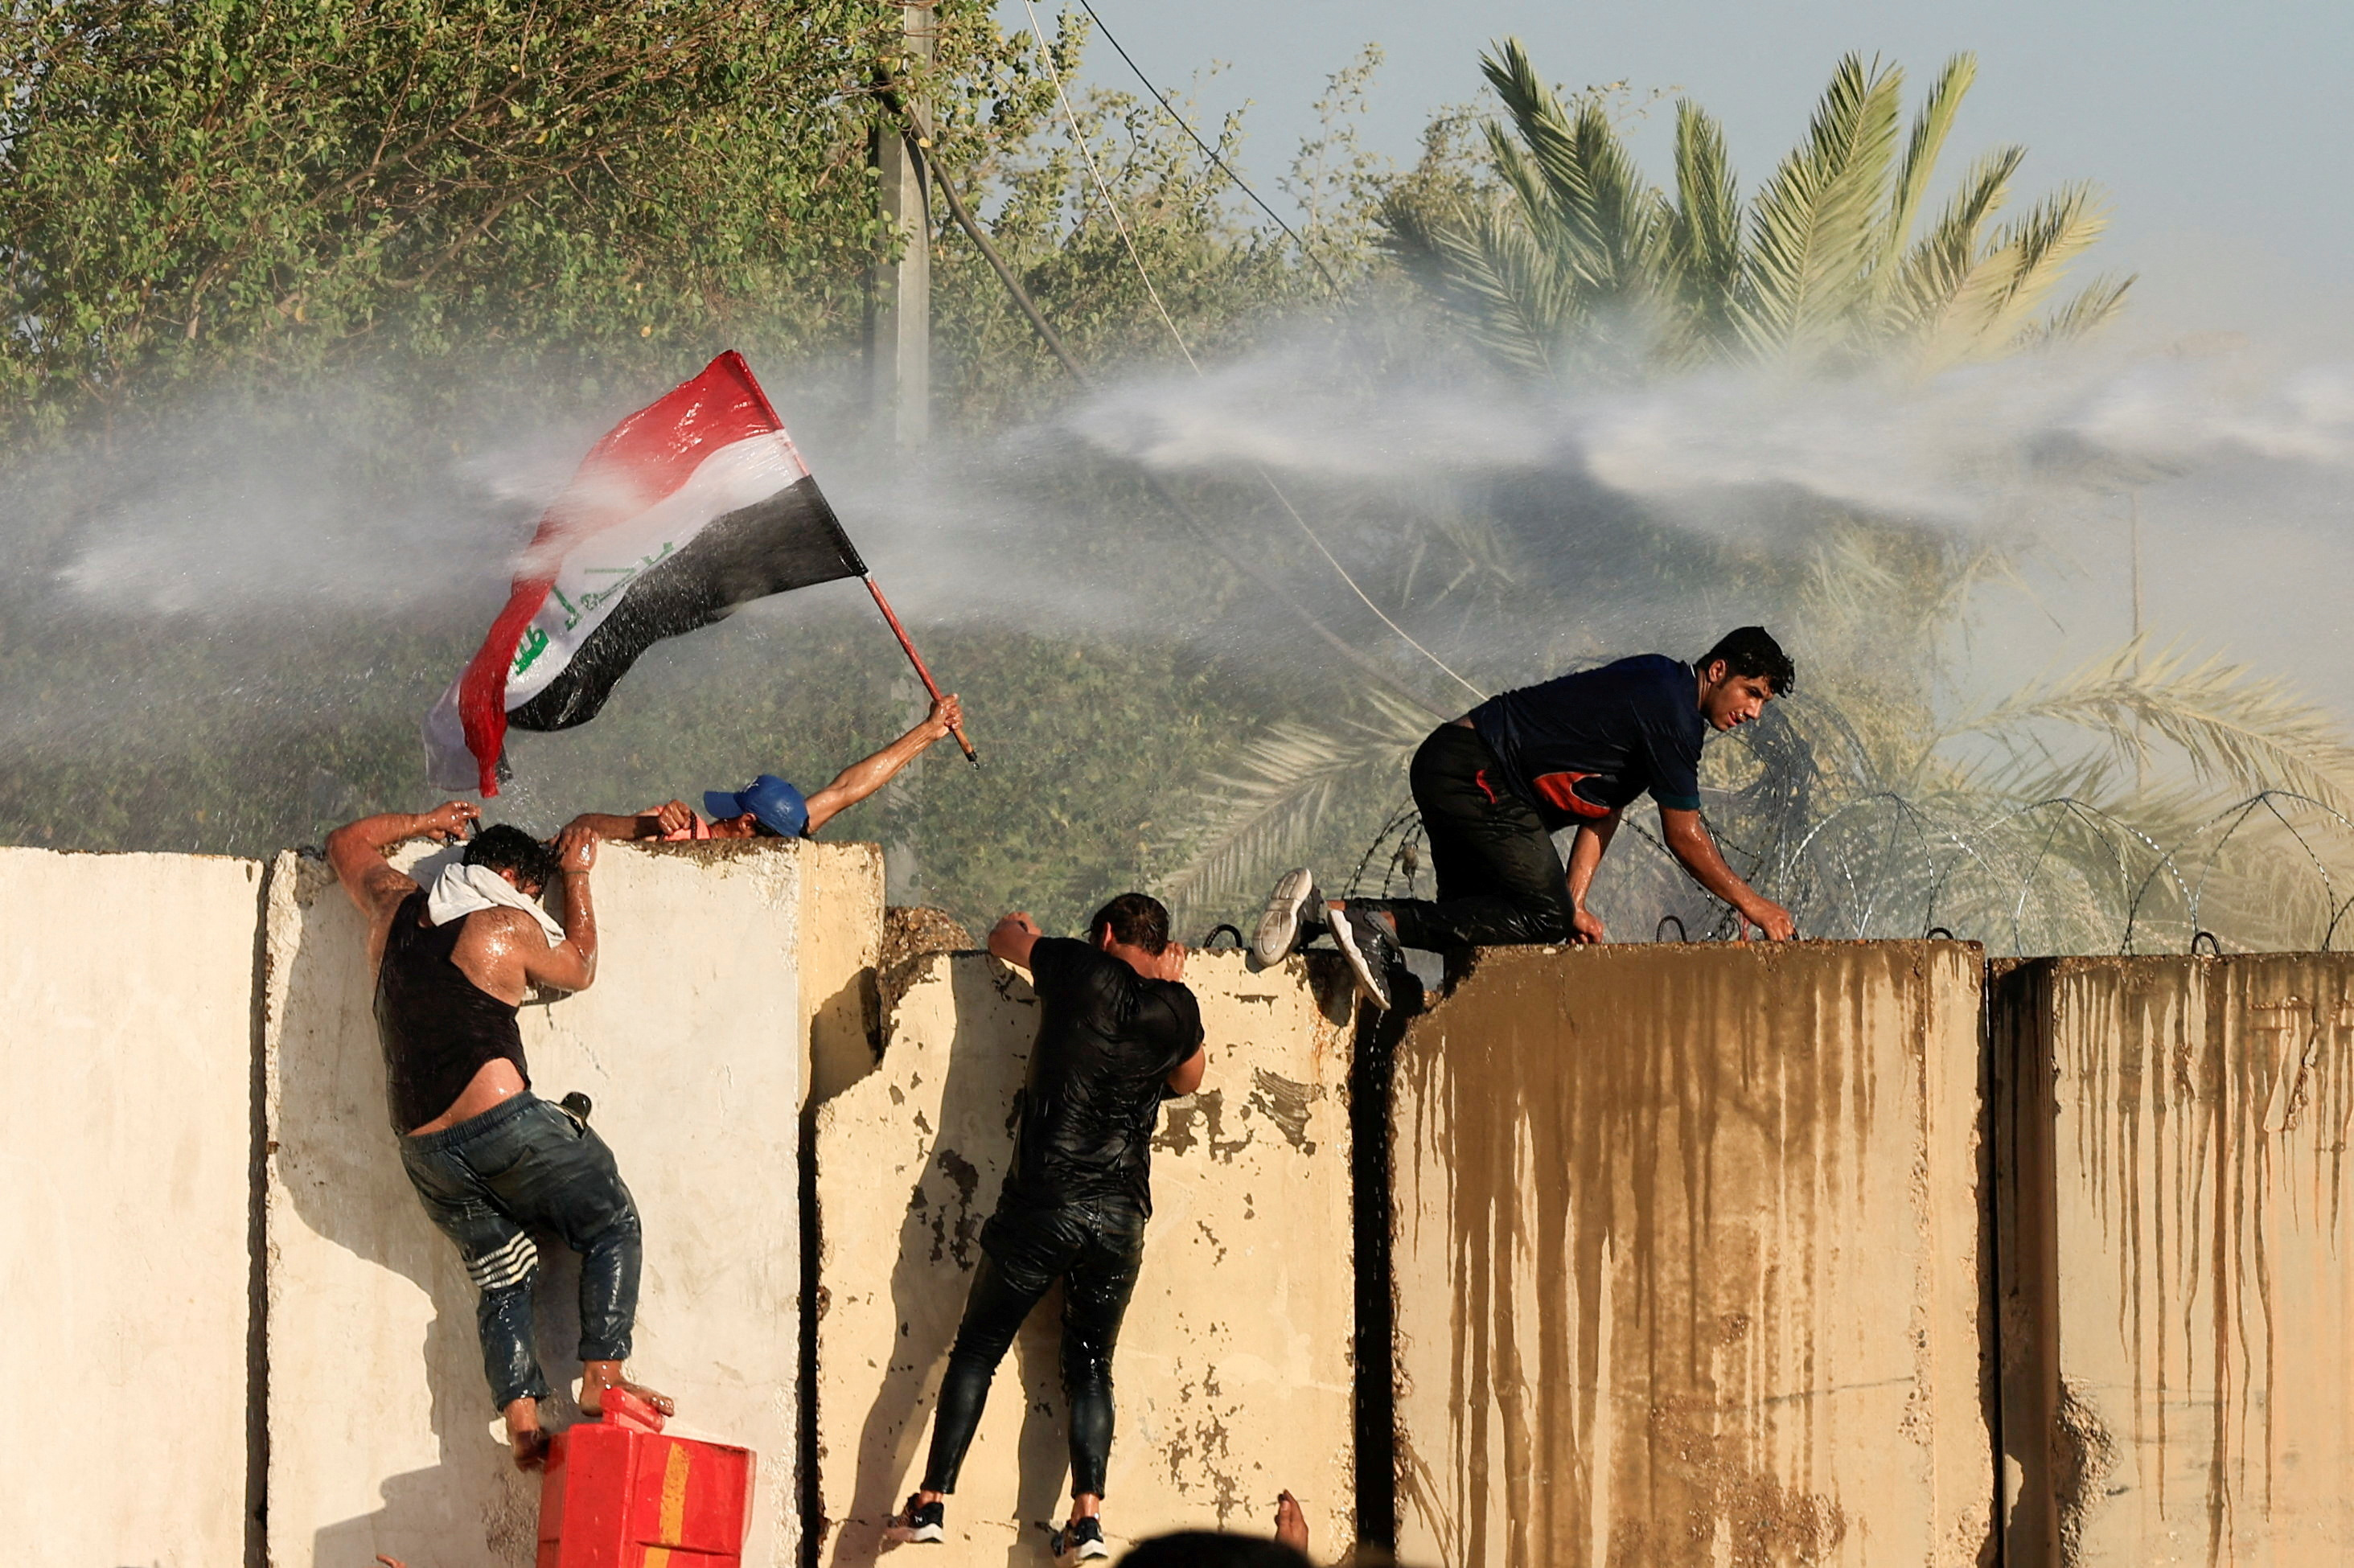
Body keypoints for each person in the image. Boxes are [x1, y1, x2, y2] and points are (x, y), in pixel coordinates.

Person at [323, 803, 668, 1470]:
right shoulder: (505, 923)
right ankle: (602, 1377)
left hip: (425, 1154)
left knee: (503, 1274)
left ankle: (521, 1417)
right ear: (514, 879)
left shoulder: (393, 906)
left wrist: (424, 821)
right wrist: (579, 877)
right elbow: (579, 964)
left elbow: (346, 841)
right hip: (505, 1128)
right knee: (609, 1221)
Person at [895, 893, 1206, 1561]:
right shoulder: (1176, 1004)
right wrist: (1170, 994)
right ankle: (1087, 1518)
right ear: (1160, 946)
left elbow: (1003, 936)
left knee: (978, 1346)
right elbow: (1189, 1077)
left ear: (1105, 933)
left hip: (1043, 1202)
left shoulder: (1076, 967)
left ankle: (932, 1501)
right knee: (1091, 1366)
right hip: (1119, 1218)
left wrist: (1031, 932)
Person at [1254, 627, 1800, 1008]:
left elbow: (1604, 810)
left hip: (1459, 769)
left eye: (1762, 704)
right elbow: (1682, 835)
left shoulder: (1666, 696)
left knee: (1479, 934)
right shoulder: (1671, 707)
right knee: (1541, 917)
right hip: (1478, 772)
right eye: (1750, 693)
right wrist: (1753, 904)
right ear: (1719, 669)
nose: (1752, 712)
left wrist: (1576, 900)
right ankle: (1368, 919)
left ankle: (1315, 914)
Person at [569, 693, 963, 844]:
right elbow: (583, 828)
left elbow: (849, 788)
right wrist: (649, 826)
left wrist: (929, 731)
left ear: (746, 821)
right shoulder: (783, 831)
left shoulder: (692, 831)